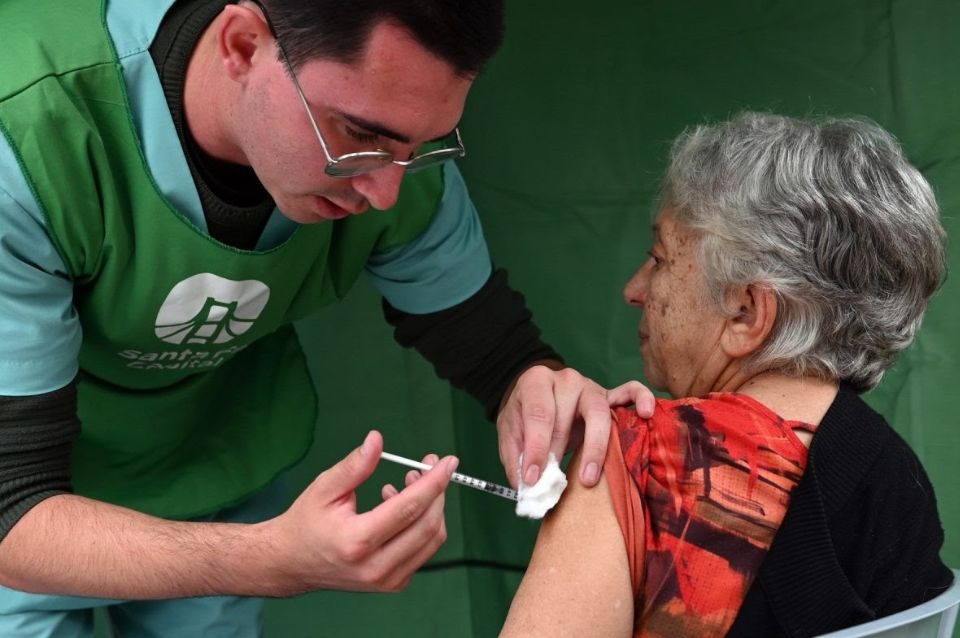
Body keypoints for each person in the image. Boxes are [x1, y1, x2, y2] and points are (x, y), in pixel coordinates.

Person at [0, 0, 653, 635]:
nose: (386, 193)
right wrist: (271, 560)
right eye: (360, 137)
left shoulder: (397, 151)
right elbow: (12, 509)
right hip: (36, 515)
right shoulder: (28, 139)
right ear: (243, 45)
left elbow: (489, 343)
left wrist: (530, 383)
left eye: (424, 145)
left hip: (214, 467)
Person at [500, 111, 954, 637]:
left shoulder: (644, 460)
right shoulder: (901, 484)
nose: (634, 289)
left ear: (746, 312)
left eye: (659, 258)